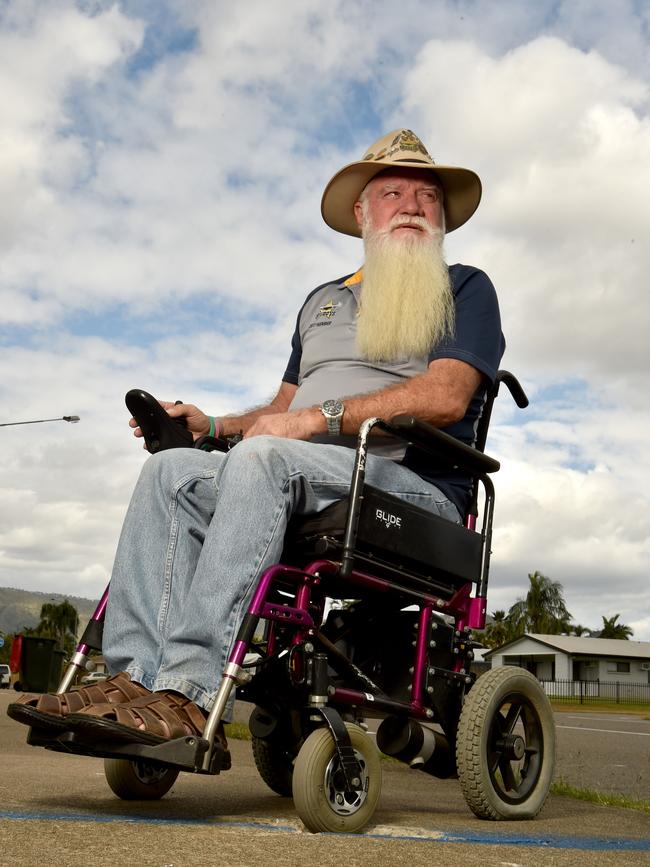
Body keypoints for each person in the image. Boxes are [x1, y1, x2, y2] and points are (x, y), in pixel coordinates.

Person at [9, 130, 504, 760]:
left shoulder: (466, 287)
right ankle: (134, 683)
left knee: (267, 457)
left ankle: (188, 692)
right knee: (171, 473)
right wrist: (210, 427)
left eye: (427, 196)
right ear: (362, 212)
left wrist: (310, 423)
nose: (411, 204)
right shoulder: (322, 301)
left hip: (411, 488)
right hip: (299, 468)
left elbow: (446, 396)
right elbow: (279, 410)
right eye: (393, 192)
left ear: (443, 216)